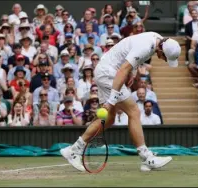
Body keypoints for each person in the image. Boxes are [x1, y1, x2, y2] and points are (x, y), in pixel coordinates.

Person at [60, 32, 181, 172]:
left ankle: (74, 149)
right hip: (108, 73)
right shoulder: (146, 47)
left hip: (104, 69)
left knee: (109, 119)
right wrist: (111, 101)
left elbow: (130, 53)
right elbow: (122, 70)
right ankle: (146, 158)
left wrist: (133, 71)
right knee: (134, 111)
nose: (164, 60)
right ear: (161, 49)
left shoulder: (156, 38)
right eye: (165, 58)